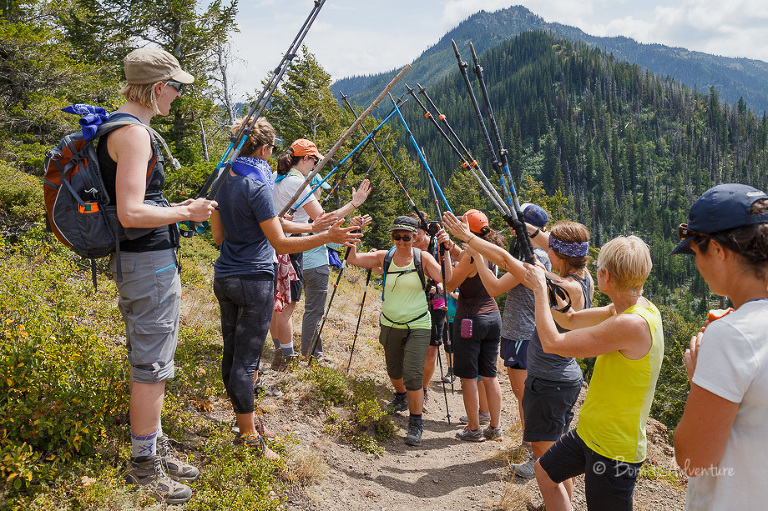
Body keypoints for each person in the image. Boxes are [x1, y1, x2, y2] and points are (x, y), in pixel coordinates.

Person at [101, 47, 217, 504]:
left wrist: (174, 210)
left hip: (140, 261)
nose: (179, 94)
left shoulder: (119, 127)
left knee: (153, 357)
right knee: (152, 365)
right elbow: (130, 212)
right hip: (147, 263)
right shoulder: (134, 134)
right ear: (155, 87)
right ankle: (144, 465)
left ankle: (154, 445)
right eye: (176, 86)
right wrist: (185, 211)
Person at [210, 117, 361, 460]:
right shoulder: (258, 184)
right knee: (247, 361)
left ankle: (244, 421)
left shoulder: (225, 178)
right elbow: (278, 240)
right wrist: (326, 236)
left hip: (226, 276)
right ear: (263, 148)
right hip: (254, 279)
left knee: (232, 354)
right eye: (272, 148)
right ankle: (248, 436)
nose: (272, 155)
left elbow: (219, 236)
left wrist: (309, 228)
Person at [443, 212, 592, 492]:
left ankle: (560, 503)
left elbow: (504, 261)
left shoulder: (556, 285)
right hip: (563, 374)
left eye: (551, 247)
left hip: (550, 378)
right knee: (556, 453)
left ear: (557, 253)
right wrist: (527, 229)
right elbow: (528, 252)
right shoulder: (584, 280)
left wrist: (469, 239)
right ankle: (559, 502)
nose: (546, 248)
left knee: (548, 460)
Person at [523, 235, 662, 511]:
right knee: (545, 473)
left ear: (605, 275)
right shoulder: (630, 307)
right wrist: (549, 284)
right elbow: (570, 319)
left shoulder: (631, 323)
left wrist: (539, 291)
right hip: (590, 433)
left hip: (614, 449)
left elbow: (554, 343)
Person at [671, 183, 768, 510]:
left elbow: (692, 460)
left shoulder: (730, 335)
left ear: (716, 248)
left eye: (696, 251)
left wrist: (699, 379)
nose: (696, 265)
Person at [346, 216, 451, 447]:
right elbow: (352, 258)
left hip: (418, 323)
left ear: (414, 237)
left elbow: (446, 279)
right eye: (397, 236)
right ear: (392, 236)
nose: (402, 241)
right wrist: (354, 230)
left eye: (406, 237)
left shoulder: (423, 258)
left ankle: (416, 423)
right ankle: (401, 398)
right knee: (394, 371)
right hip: (390, 322)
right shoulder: (385, 257)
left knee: (412, 374)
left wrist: (446, 252)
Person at [270, 139, 370, 368]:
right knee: (289, 305)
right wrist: (354, 204)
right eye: (313, 161)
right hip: (293, 247)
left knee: (277, 303)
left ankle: (279, 348)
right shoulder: (298, 183)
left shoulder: (278, 178)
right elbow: (324, 219)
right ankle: (287, 355)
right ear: (304, 159)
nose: (314, 166)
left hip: (274, 244)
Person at [470, 203, 551, 468]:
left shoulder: (532, 258)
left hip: (523, 335)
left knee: (525, 395)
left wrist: (478, 256)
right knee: (524, 394)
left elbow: (494, 287)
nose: (510, 230)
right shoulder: (532, 253)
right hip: (521, 333)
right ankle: (529, 444)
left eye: (515, 225)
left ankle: (532, 449)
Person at [443, 209, 505, 442]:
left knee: (468, 377)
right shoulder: (490, 249)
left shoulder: (472, 254)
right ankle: (494, 427)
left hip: (470, 318)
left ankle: (473, 428)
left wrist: (446, 257)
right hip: (492, 317)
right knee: (490, 375)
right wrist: (453, 248)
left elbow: (450, 284)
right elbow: (467, 261)